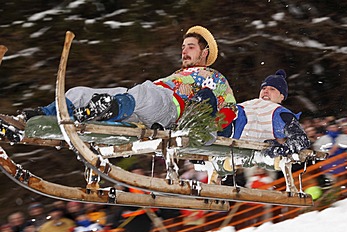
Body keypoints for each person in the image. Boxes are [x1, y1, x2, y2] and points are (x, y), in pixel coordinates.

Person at [0, 26, 236, 143]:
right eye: (183, 47)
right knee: (78, 92)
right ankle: (28, 121)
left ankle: (102, 109)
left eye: (191, 47)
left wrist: (200, 125)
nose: (184, 51)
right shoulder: (174, 74)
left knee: (145, 91)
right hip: (143, 104)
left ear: (205, 52)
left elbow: (229, 111)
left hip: (170, 109)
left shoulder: (214, 77)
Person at [232, 69, 310, 158]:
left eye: (272, 89)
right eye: (264, 88)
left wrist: (281, 150)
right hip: (223, 122)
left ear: (281, 97)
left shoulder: (278, 113)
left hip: (234, 138)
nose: (266, 91)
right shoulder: (248, 103)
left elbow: (301, 140)